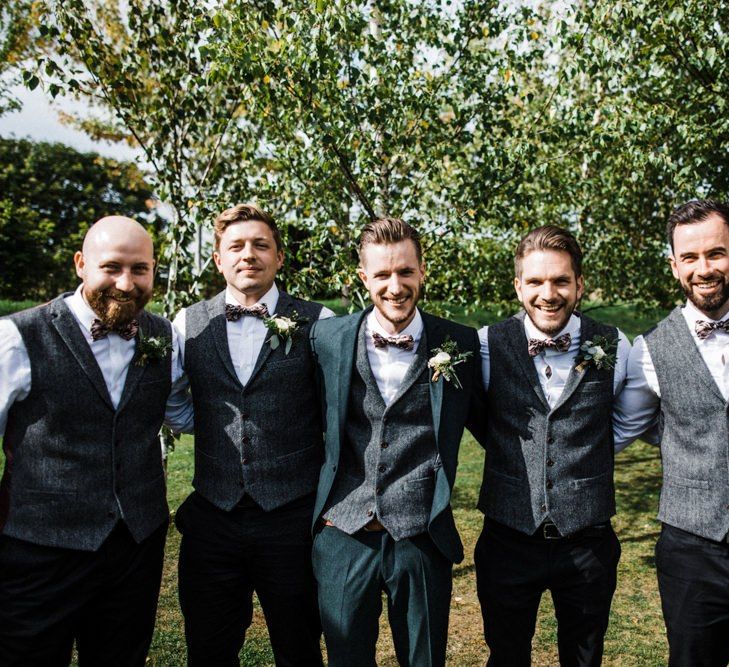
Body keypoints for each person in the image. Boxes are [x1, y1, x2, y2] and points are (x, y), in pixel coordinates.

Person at [0, 216, 191, 666]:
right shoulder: (18, 336)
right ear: (81, 264)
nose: (126, 284)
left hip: (134, 548)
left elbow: (181, 411)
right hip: (40, 547)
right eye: (112, 267)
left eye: (139, 269)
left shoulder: (164, 336)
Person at [309, 217, 484, 666]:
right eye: (383, 274)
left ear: (422, 271)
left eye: (406, 272)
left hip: (421, 534)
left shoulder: (459, 341)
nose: (395, 285)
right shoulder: (328, 338)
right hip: (343, 532)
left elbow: (496, 424)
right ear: (364, 277)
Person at [475, 225, 648, 666]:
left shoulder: (617, 345)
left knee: (585, 656)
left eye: (560, 281)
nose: (547, 293)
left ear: (578, 285)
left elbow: (630, 418)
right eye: (534, 281)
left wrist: (588, 453)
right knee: (507, 656)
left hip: (588, 539)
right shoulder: (486, 346)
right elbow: (478, 417)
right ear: (518, 286)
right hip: (507, 537)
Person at [173, 203, 333, 666]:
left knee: (299, 644)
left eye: (261, 245)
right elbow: (172, 400)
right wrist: (215, 431)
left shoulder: (318, 321)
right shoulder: (188, 323)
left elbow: (334, 410)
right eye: (236, 246)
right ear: (219, 260)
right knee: (208, 646)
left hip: (292, 517)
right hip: (212, 516)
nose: (249, 254)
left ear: (279, 257)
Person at [627, 199, 729, 667]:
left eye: (716, 253)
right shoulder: (649, 350)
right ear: (674, 266)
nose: (703, 268)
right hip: (691, 547)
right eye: (690, 257)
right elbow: (631, 426)